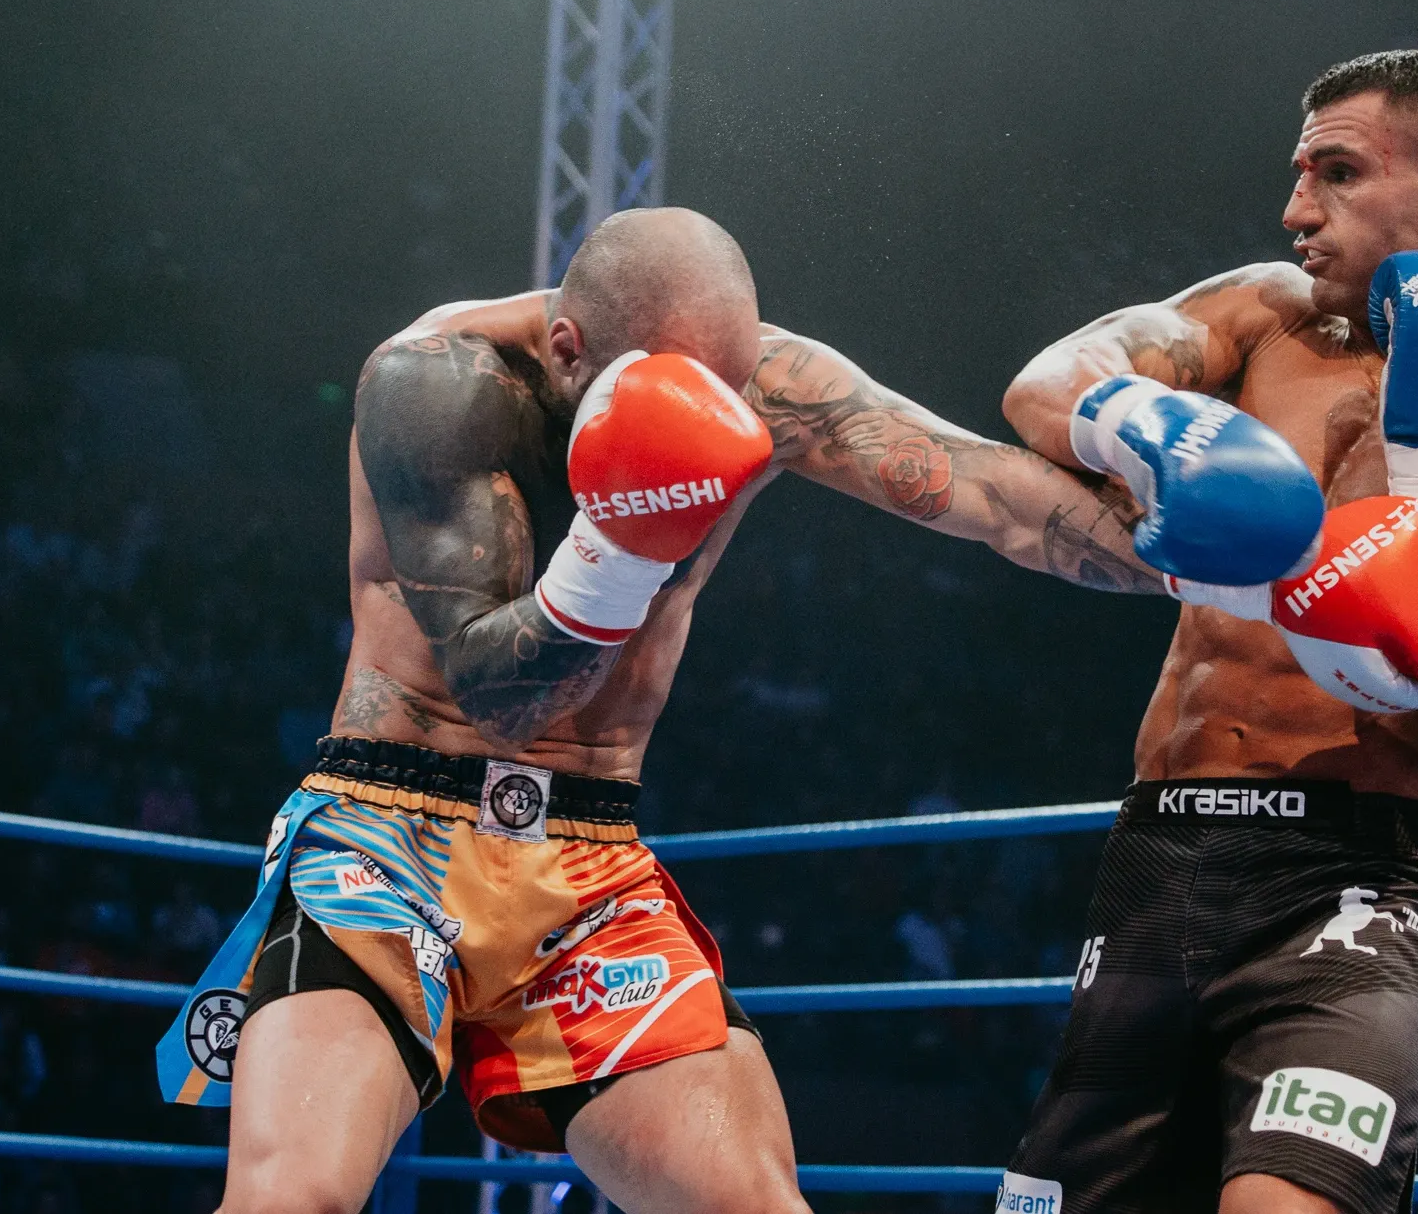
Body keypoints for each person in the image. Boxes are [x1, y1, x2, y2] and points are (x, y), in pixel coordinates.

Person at [158, 206, 1308, 1214]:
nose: (710, 410)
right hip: (389, 836)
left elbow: (995, 501)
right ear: (567, 348)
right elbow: (495, 694)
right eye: (675, 390)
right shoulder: (439, 382)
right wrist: (620, 545)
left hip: (585, 864)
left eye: (728, 383)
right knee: (293, 1197)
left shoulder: (767, 381)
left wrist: (1259, 572)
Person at [996, 47, 1418, 1214]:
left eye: (1336, 174)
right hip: (1158, 858)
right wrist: (1147, 423)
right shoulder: (1262, 317)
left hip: (1354, 887)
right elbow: (1048, 380)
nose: (1296, 211)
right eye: (1300, 175)